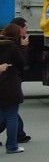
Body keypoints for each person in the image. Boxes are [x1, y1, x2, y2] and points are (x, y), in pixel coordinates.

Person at [0, 21, 28, 154]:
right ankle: (12, 145)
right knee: (11, 115)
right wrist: (24, 47)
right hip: (10, 84)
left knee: (2, 114)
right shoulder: (12, 47)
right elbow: (22, 63)